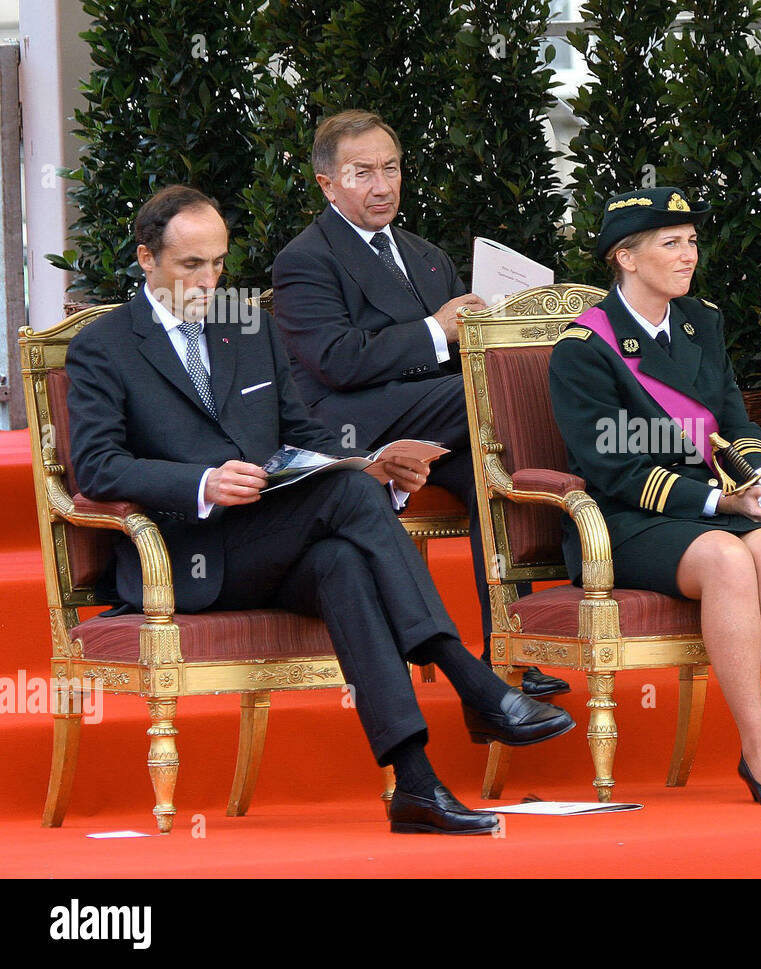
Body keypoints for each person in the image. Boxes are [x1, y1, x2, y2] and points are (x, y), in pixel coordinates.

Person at [66, 185, 575, 834]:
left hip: (267, 537)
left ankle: (415, 785)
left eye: (219, 263)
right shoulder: (104, 345)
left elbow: (303, 433)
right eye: (191, 265)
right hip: (185, 555)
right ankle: (470, 680)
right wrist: (201, 480)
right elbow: (97, 467)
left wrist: (374, 458)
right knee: (346, 498)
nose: (209, 280)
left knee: (343, 561)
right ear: (146, 258)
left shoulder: (247, 325)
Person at [548, 187, 761, 805]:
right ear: (625, 258)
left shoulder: (699, 321)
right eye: (670, 243)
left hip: (711, 507)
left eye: (691, 242)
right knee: (729, 556)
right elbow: (615, 470)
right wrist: (721, 503)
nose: (688, 255)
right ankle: (759, 749)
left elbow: (733, 420)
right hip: (626, 520)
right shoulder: (583, 349)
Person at [272, 110, 565, 698]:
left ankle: (504, 646)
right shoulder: (305, 260)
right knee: (496, 396)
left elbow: (458, 357)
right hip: (351, 418)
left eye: (391, 168)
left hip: (441, 412)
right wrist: (438, 329)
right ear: (327, 184)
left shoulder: (425, 255)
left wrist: (492, 331)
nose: (382, 186)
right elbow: (337, 360)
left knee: (494, 469)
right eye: (362, 173)